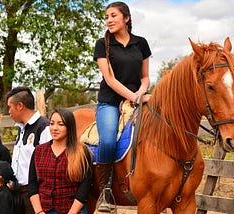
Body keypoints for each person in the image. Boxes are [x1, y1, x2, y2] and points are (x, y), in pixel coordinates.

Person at [93, 2, 152, 212]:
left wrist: (140, 94)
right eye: (106, 16)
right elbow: (110, 79)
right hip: (110, 101)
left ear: (126, 18)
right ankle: (104, 192)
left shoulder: (141, 43)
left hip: (138, 97)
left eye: (113, 15)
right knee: (108, 141)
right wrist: (134, 98)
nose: (108, 20)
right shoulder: (103, 44)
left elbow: (145, 77)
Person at [28, 108, 93, 214]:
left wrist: (72, 212)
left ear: (69, 127)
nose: (54, 128)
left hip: (74, 210)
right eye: (52, 123)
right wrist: (39, 211)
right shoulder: (39, 151)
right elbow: (32, 184)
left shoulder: (81, 152)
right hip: (45, 210)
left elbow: (85, 186)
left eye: (60, 124)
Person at [6, 86, 52, 214]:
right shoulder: (21, 129)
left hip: (34, 195)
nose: (9, 111)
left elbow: (48, 166)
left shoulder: (44, 128)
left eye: (10, 107)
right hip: (18, 193)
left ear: (20, 106)